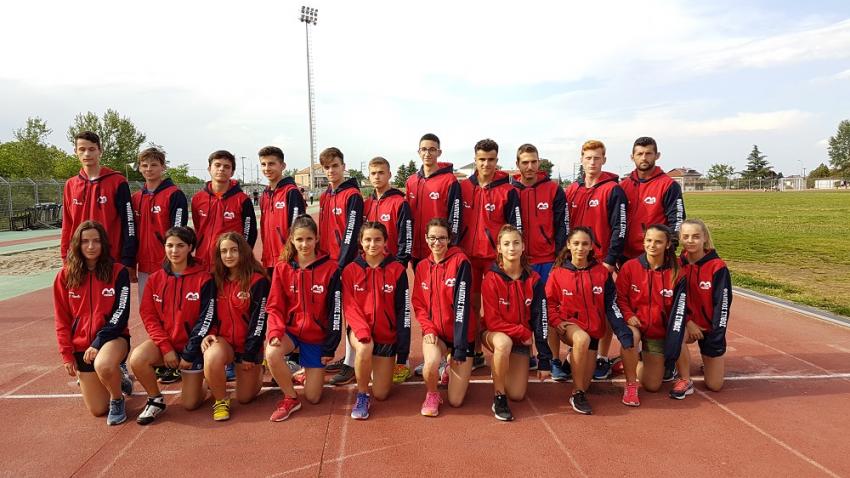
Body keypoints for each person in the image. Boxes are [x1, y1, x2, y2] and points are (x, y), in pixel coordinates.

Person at [129, 226, 217, 425]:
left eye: (180, 246)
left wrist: (189, 353)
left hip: (194, 346)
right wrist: (166, 348)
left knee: (190, 404)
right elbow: (149, 316)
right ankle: (155, 399)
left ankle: (204, 380)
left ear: (190, 247)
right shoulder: (155, 279)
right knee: (137, 358)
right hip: (167, 344)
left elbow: (207, 318)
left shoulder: (204, 278)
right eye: (169, 245)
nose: (174, 251)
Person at [53, 220, 132, 425]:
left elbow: (121, 314)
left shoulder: (118, 272)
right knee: (98, 409)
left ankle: (117, 398)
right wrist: (66, 355)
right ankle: (117, 378)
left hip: (113, 338)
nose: (90, 246)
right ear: (77, 244)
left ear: (103, 243)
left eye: (96, 241)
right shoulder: (64, 276)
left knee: (104, 364)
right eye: (85, 241)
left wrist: (98, 343)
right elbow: (62, 319)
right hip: (81, 347)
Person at [265, 215, 342, 422]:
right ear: (291, 239)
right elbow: (274, 306)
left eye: (309, 239)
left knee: (314, 397)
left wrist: (329, 347)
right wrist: (275, 333)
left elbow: (335, 311)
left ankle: (301, 372)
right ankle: (290, 398)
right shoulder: (282, 268)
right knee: (271, 353)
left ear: (317, 238)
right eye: (299, 239)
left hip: (315, 337)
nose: (304, 244)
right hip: (291, 333)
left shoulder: (331, 268)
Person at [621, 137, 685, 382]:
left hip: (657, 258)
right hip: (630, 258)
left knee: (661, 308)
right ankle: (633, 354)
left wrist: (668, 254)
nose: (644, 158)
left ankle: (667, 356)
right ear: (632, 157)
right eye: (639, 153)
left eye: (649, 153)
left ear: (657, 156)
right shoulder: (624, 185)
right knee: (632, 307)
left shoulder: (668, 185)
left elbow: (677, 220)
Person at [546, 227, 627, 415]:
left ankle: (571, 361)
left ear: (591, 247)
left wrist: (624, 331)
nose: (580, 248)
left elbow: (611, 304)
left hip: (593, 332)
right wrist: (556, 321)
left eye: (585, 244)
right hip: (570, 327)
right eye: (576, 243)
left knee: (586, 381)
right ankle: (577, 393)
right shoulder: (558, 273)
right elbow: (549, 303)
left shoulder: (601, 272)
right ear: (568, 245)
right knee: (581, 339)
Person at [565, 140, 628, 381]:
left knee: (604, 307)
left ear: (604, 160)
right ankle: (577, 350)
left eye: (597, 158)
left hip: (601, 261)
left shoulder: (613, 189)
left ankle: (601, 355)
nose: (592, 162)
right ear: (581, 159)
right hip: (576, 260)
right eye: (588, 158)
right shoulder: (573, 189)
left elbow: (620, 227)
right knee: (576, 305)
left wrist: (610, 260)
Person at [459, 138, 522, 370]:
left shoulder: (508, 190)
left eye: (491, 159)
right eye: (482, 159)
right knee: (472, 305)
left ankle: (508, 351)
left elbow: (516, 226)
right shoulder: (463, 187)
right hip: (468, 257)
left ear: (497, 160)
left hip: (496, 259)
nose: (486, 164)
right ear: (475, 160)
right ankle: (476, 351)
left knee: (500, 306)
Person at [480, 224, 552, 421]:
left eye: (516, 243)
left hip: (520, 341)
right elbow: (493, 322)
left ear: (523, 247)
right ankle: (499, 397)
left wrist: (544, 360)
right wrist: (522, 332)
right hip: (495, 334)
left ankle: (502, 368)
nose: (511, 248)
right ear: (499, 248)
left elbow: (540, 320)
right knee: (503, 343)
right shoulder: (491, 278)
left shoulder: (534, 280)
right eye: (506, 244)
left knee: (518, 395)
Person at [341, 222, 411, 419]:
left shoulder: (397, 270)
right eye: (368, 240)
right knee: (364, 346)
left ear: (386, 241)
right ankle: (362, 395)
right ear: (361, 242)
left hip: (386, 335)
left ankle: (370, 366)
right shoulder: (350, 270)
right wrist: (363, 332)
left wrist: (402, 353)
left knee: (381, 394)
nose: (372, 244)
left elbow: (403, 311)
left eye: (378, 239)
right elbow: (349, 307)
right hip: (360, 332)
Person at [510, 143, 568, 379]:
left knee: (548, 311)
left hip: (547, 260)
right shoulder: (510, 190)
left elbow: (562, 226)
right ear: (517, 164)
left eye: (534, 161)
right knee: (521, 310)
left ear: (539, 162)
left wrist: (560, 258)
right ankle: (530, 355)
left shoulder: (553, 189)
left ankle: (553, 359)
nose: (530, 166)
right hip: (520, 261)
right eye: (525, 162)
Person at [615, 224, 687, 407]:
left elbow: (681, 306)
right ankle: (631, 384)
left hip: (658, 331)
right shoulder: (630, 267)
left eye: (658, 242)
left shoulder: (677, 272)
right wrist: (628, 315)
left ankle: (634, 360)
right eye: (648, 240)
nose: (652, 245)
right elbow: (620, 298)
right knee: (629, 337)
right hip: (635, 324)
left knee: (653, 386)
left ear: (668, 244)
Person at [204, 232, 270, 421]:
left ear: (243, 252)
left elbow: (259, 320)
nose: (229, 255)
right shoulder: (214, 280)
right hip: (224, 341)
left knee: (244, 398)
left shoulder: (257, 281)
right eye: (224, 251)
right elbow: (208, 312)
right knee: (211, 355)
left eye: (234, 250)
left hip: (247, 345)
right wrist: (210, 333)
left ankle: (260, 367)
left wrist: (250, 352)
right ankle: (220, 400)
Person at [412, 218, 474, 417]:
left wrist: (460, 348)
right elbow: (418, 304)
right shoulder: (422, 266)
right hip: (437, 334)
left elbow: (462, 306)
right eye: (432, 238)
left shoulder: (461, 262)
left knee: (455, 401)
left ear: (449, 239)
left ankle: (449, 366)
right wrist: (428, 329)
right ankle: (432, 394)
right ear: (425, 238)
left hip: (461, 336)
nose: (436, 242)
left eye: (441, 238)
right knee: (430, 364)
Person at [363, 156, 414, 384]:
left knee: (399, 314)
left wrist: (399, 266)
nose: (377, 177)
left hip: (392, 270)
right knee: (372, 311)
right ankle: (368, 355)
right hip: (369, 270)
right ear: (368, 176)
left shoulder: (400, 203)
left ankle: (402, 360)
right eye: (373, 173)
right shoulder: (367, 204)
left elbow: (406, 237)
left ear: (389, 174)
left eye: (381, 172)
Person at [316, 147, 364, 386]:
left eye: (335, 166)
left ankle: (351, 364)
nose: (331, 171)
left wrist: (342, 264)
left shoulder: (352, 195)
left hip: (346, 264)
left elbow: (351, 232)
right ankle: (346, 357)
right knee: (335, 311)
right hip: (328, 263)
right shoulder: (325, 196)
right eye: (326, 167)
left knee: (351, 312)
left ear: (343, 167)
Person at [671, 219, 732, 399]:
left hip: (710, 328)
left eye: (696, 236)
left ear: (705, 238)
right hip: (686, 324)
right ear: (680, 238)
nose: (690, 241)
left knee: (714, 385)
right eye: (686, 236)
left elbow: (722, 306)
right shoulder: (676, 264)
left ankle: (709, 360)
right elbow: (672, 301)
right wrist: (688, 322)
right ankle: (685, 379)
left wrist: (716, 336)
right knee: (676, 334)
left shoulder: (717, 267)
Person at [61, 131, 137, 274]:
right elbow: (67, 224)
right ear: (75, 151)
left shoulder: (117, 182)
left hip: (110, 258)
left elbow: (129, 222)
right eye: (82, 149)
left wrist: (128, 258)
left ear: (100, 150)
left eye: (92, 149)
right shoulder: (70, 184)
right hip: (79, 259)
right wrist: (65, 256)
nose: (87, 154)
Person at [132, 147, 189, 302]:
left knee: (169, 306)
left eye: (154, 165)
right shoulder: (136, 198)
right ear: (139, 168)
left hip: (167, 263)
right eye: (144, 165)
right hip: (143, 265)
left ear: (163, 167)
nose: (149, 169)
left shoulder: (174, 194)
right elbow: (132, 232)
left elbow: (178, 231)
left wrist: (173, 260)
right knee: (146, 308)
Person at [190, 150, 257, 267]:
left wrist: (242, 256)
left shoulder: (242, 199)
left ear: (232, 172)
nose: (221, 169)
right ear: (209, 169)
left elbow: (250, 232)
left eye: (226, 167)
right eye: (217, 165)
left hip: (229, 263)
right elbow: (198, 228)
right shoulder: (197, 199)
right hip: (203, 261)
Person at [405, 133, 462, 265]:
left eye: (432, 149)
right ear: (419, 152)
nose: (427, 153)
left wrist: (451, 244)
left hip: (438, 248)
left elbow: (455, 217)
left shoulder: (449, 181)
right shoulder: (411, 181)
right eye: (424, 149)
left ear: (439, 152)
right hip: (415, 249)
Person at [258, 146, 306, 274]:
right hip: (268, 259)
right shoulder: (265, 194)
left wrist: (291, 254)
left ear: (283, 166)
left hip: (287, 260)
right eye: (263, 164)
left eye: (271, 164)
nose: (267, 168)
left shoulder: (291, 192)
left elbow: (298, 228)